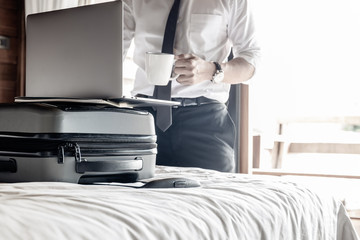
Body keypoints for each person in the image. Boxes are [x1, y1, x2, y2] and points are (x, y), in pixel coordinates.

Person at [122, 0, 260, 172]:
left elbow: (251, 62)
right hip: (143, 120)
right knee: (133, 194)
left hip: (205, 122)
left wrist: (211, 70)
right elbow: (110, 53)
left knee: (214, 195)